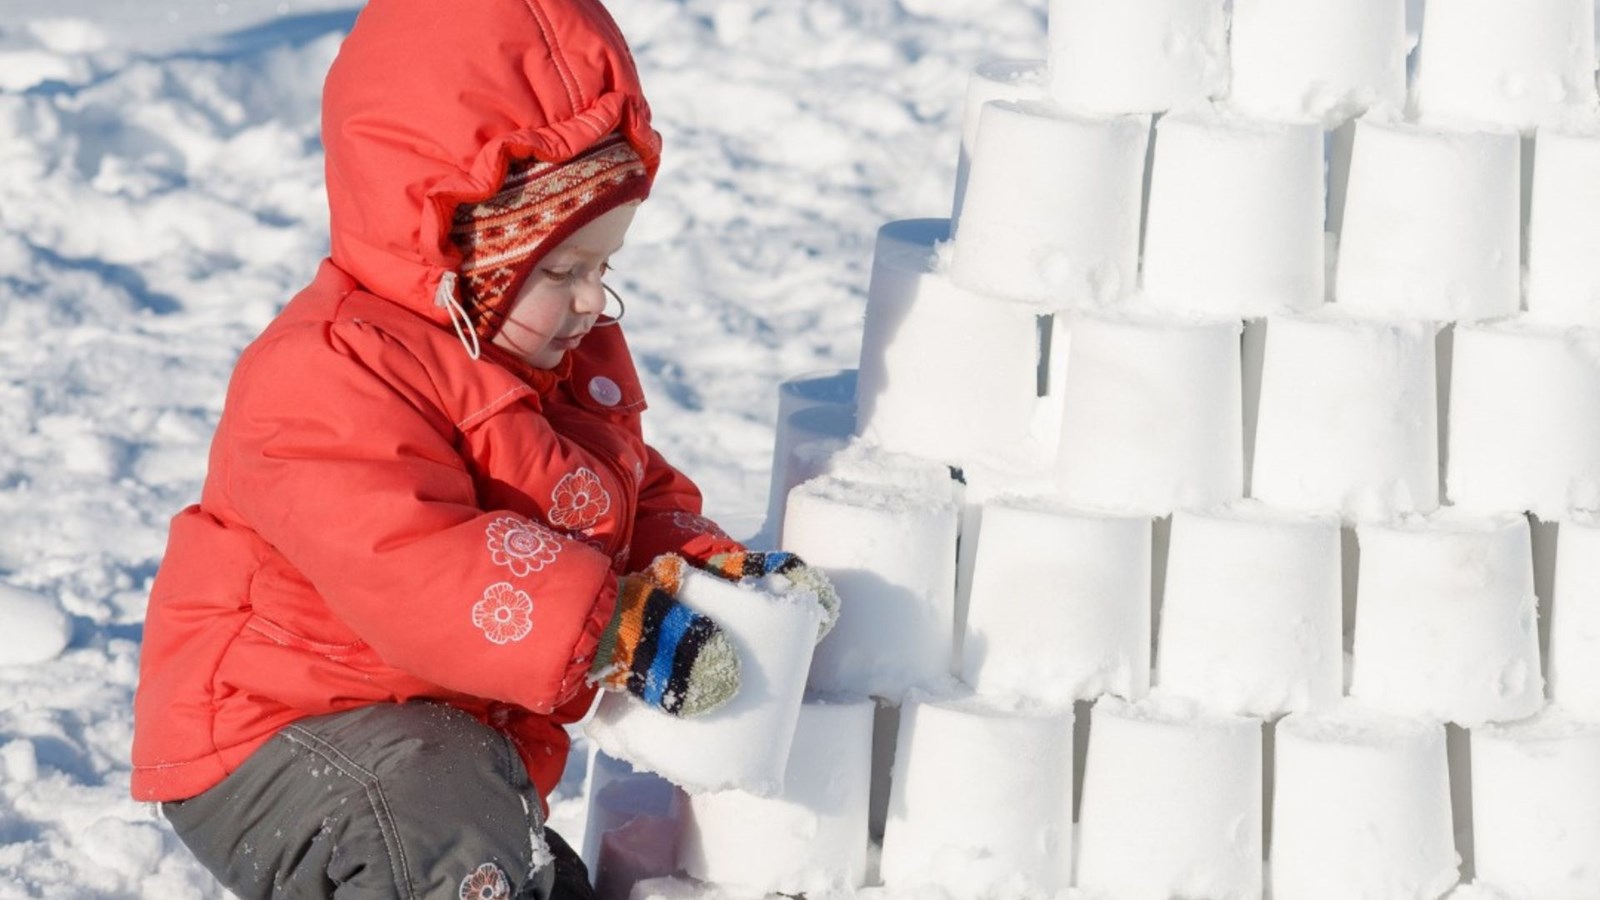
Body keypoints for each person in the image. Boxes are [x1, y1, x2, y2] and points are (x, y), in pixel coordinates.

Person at [129, 2, 836, 897]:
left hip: (431, 745)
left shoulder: (551, 365)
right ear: (463, 249)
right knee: (454, 839)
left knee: (518, 867)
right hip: (277, 730)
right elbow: (408, 562)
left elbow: (621, 501)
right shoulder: (326, 371)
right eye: (562, 272)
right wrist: (616, 628)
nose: (592, 304)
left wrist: (701, 570)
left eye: (604, 268)